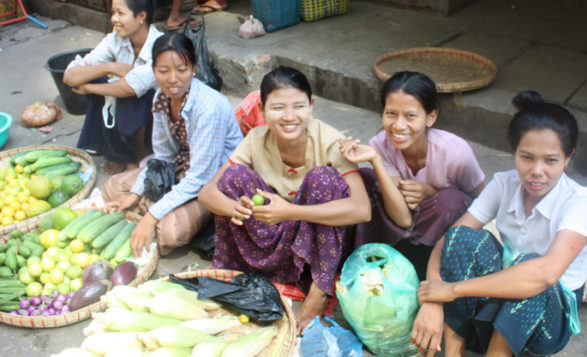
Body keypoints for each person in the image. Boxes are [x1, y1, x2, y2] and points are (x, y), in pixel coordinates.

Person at [411, 90, 587, 357]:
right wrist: (432, 298)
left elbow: (545, 274)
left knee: (532, 268)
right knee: (460, 238)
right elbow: (449, 241)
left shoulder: (580, 203)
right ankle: (454, 352)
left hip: (545, 323)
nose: (537, 170)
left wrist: (451, 291)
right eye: (526, 157)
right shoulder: (504, 183)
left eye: (551, 160)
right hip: (503, 294)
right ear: (514, 152)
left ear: (569, 157)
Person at [198, 66, 371, 334]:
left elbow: (362, 210)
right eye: (278, 108)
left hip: (321, 247)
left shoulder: (331, 141)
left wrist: (290, 211)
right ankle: (234, 273)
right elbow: (207, 193)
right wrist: (238, 208)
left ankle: (319, 292)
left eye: (298, 106)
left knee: (323, 179)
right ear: (263, 110)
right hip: (278, 239)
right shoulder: (256, 139)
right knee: (234, 176)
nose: (289, 117)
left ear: (311, 107)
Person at [103, 33, 243, 257]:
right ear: (154, 70)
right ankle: (149, 209)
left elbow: (200, 177)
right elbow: (163, 157)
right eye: (163, 71)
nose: (172, 79)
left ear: (194, 68)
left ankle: (151, 212)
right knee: (113, 188)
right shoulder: (162, 96)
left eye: (181, 69)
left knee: (170, 232)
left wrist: (152, 215)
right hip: (183, 166)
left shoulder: (209, 107)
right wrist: (136, 193)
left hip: (214, 181)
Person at [340, 71, 485, 279]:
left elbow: (482, 201)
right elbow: (402, 218)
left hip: (439, 235)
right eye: (391, 114)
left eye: (410, 116)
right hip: (399, 225)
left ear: (431, 117)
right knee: (363, 177)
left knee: (451, 201)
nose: (398, 126)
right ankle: (375, 258)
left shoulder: (456, 153)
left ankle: (424, 270)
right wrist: (375, 161)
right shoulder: (380, 145)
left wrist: (433, 192)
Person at [63, 0, 161, 174]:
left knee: (128, 95)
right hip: (126, 106)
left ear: (141, 16)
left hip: (155, 116)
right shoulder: (115, 39)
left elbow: (132, 87)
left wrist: (89, 89)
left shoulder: (159, 45)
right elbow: (69, 76)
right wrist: (109, 67)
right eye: (113, 13)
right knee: (96, 78)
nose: (114, 19)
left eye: (120, 13)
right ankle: (119, 153)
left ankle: (138, 154)